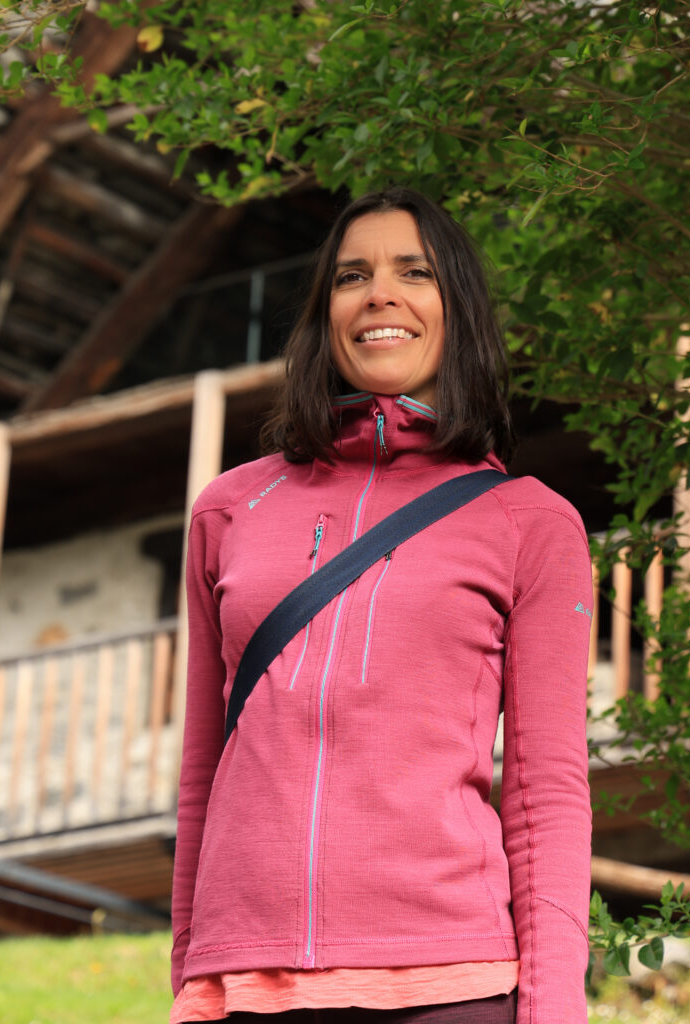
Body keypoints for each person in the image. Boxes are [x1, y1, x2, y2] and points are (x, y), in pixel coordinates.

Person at [170, 188, 593, 1024]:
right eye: (351, 275)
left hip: (451, 984)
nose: (380, 295)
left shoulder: (528, 521)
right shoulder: (229, 509)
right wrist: (192, 972)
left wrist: (553, 1010)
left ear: (458, 309)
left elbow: (547, 794)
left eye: (416, 272)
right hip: (249, 984)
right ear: (326, 312)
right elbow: (201, 770)